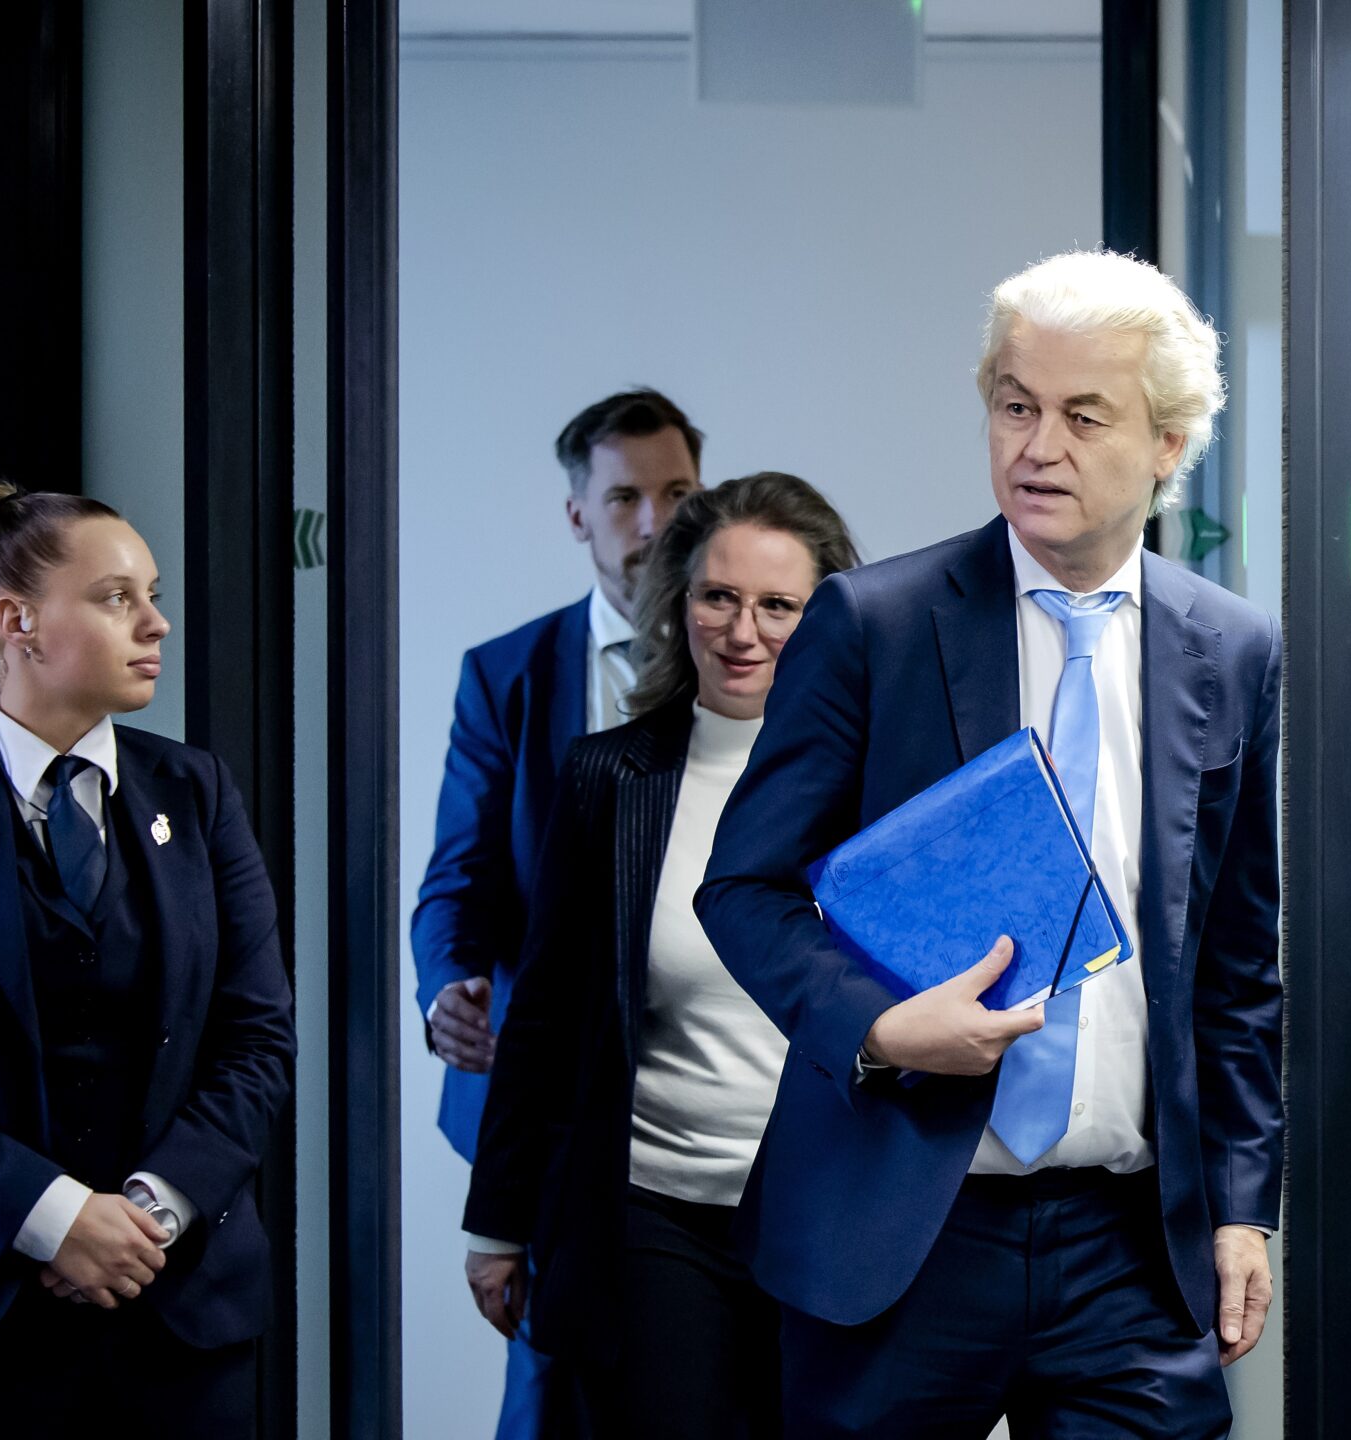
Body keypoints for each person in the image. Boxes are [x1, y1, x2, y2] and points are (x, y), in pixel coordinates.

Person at [697, 251, 1283, 1437]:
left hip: (1131, 1247)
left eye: (1082, 415)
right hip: (904, 1228)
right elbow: (744, 889)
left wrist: (1240, 1206)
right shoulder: (875, 624)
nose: (1036, 445)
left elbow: (1237, 962)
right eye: (1014, 406)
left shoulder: (1230, 649)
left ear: (1168, 445)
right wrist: (874, 1025)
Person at [0, 483, 295, 1437]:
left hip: (177, 1320)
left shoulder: (197, 792)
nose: (155, 622)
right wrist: (51, 1216)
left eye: (150, 594)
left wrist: (149, 1214)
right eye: (118, 597)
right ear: (18, 620)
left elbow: (258, 1037)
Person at [461, 473, 861, 1438]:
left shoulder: (877, 783)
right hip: (657, 1217)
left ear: (829, 620)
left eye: (779, 605)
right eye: (718, 597)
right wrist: (496, 1224)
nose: (743, 630)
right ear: (678, 603)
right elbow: (547, 1014)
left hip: (831, 1219)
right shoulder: (610, 776)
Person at [411, 388, 702, 1438]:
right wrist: (445, 985)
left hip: (715, 1095)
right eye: (624, 496)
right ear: (577, 513)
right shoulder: (508, 675)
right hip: (553, 1101)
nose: (654, 522)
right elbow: (458, 877)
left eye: (676, 493)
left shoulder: (756, 662)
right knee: (551, 1401)